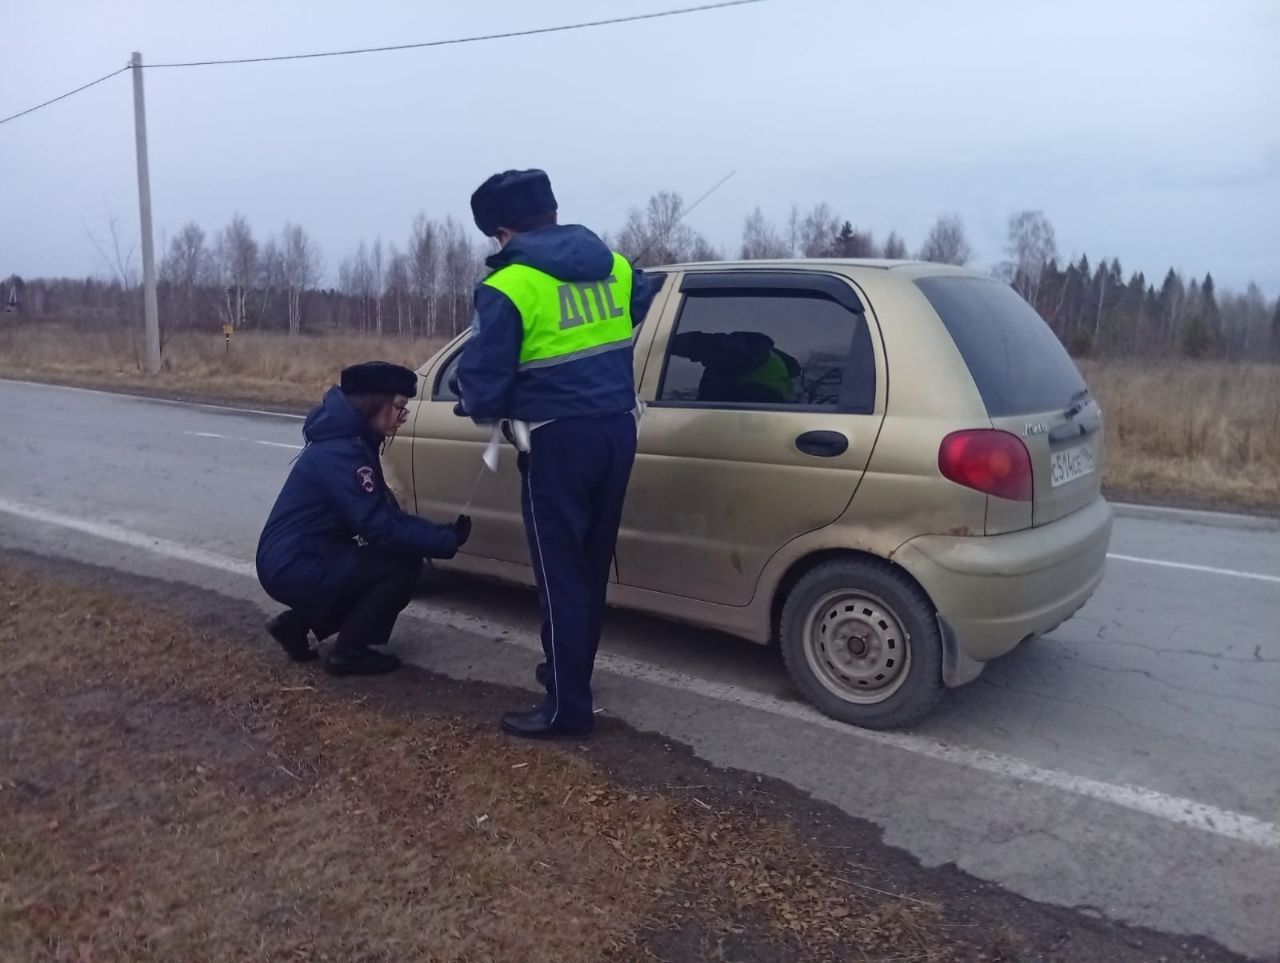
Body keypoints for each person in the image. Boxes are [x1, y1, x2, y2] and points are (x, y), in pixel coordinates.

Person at [456, 168, 656, 739]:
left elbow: (484, 386)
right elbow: (642, 296)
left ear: (502, 231)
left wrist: (476, 401)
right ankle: (570, 672)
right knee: (589, 567)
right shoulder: (614, 266)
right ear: (551, 211)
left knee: (558, 572)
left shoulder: (509, 287)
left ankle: (568, 708)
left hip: (557, 441)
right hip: (618, 430)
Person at [256, 361, 471, 676]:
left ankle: (297, 625)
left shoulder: (351, 441)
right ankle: (349, 654)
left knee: (382, 562)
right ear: (375, 404)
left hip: (297, 556)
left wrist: (440, 534)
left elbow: (384, 513)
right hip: (293, 562)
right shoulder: (343, 451)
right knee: (400, 567)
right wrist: (442, 540)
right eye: (399, 406)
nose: (404, 415)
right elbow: (378, 526)